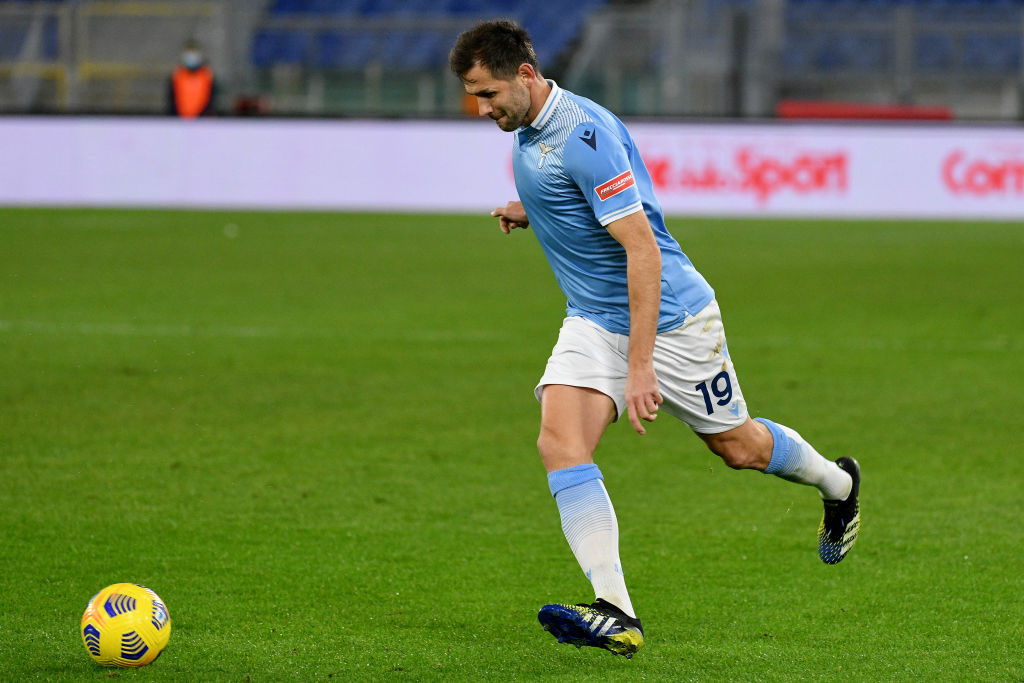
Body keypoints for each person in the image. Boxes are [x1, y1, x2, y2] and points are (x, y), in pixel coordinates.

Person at [448, 19, 862, 660]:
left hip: (671, 322)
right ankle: (617, 612)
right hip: (591, 318)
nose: (482, 108)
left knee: (738, 446)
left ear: (525, 75)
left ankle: (838, 484)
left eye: (488, 92)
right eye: (475, 95)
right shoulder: (529, 126)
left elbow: (643, 251)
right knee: (559, 440)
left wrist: (641, 366)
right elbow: (579, 198)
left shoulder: (584, 135)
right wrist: (534, 209)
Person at [167, 40, 217, 118]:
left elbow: (210, 98)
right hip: (179, 119)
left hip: (201, 119)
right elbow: (172, 98)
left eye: (194, 54)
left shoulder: (206, 75)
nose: (191, 58)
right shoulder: (178, 75)